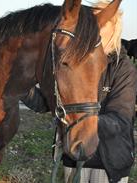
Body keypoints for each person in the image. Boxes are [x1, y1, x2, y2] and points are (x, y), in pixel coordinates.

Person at [21, 1, 137, 183]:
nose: (92, 27)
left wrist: (81, 118)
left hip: (108, 165)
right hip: (74, 157)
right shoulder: (78, 62)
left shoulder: (123, 69)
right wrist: (22, 88)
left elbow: (120, 120)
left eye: (100, 22)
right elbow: (48, 103)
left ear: (113, 28)